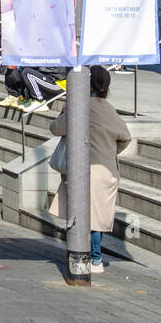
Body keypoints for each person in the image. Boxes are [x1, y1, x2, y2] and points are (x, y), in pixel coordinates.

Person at [48, 66, 131, 273]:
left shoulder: (79, 106)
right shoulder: (108, 108)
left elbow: (56, 128)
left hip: (82, 168)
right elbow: (126, 137)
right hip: (106, 169)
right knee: (97, 215)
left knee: (85, 214)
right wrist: (110, 152)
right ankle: (95, 258)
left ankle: (93, 258)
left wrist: (63, 111)